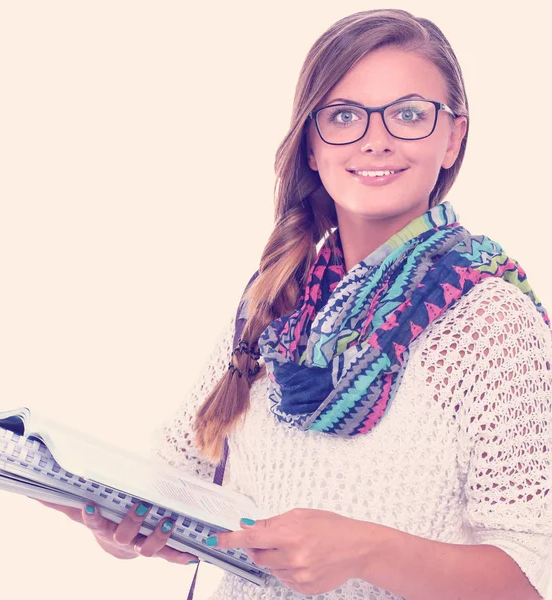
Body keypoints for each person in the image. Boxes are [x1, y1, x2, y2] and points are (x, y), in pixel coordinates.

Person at [39, 8, 552, 599]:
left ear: (454, 135)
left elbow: (530, 576)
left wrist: (369, 549)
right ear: (311, 145)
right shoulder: (278, 298)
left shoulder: (493, 324)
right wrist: (125, 528)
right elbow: (184, 479)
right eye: (343, 116)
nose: (376, 139)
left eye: (409, 114)